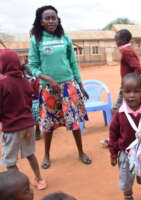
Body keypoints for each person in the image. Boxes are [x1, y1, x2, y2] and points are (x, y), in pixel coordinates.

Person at [28, 5, 91, 169]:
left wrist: (81, 85)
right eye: (47, 18)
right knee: (48, 124)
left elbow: (73, 64)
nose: (50, 21)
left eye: (53, 17)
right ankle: (47, 155)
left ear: (58, 19)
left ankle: (81, 152)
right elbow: (32, 67)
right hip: (48, 89)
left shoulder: (65, 38)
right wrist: (48, 79)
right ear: (40, 22)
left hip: (68, 87)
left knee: (74, 122)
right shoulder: (36, 40)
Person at [0, 49, 47, 190]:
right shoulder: (25, 81)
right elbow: (29, 100)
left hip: (12, 128)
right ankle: (40, 180)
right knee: (29, 154)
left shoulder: (2, 84)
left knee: (10, 161)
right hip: (28, 125)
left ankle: (18, 187)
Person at [101, 29, 141, 147]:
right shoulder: (127, 50)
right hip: (127, 86)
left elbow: (138, 69)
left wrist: (131, 85)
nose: (115, 41)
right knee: (125, 111)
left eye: (117, 39)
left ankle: (113, 139)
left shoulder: (126, 51)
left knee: (116, 110)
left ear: (124, 40)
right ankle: (124, 136)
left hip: (126, 87)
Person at [22, 64, 42, 140]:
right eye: (26, 70)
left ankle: (37, 129)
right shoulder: (22, 79)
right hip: (25, 101)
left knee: (36, 115)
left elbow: (37, 92)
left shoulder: (35, 79)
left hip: (35, 101)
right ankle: (28, 131)